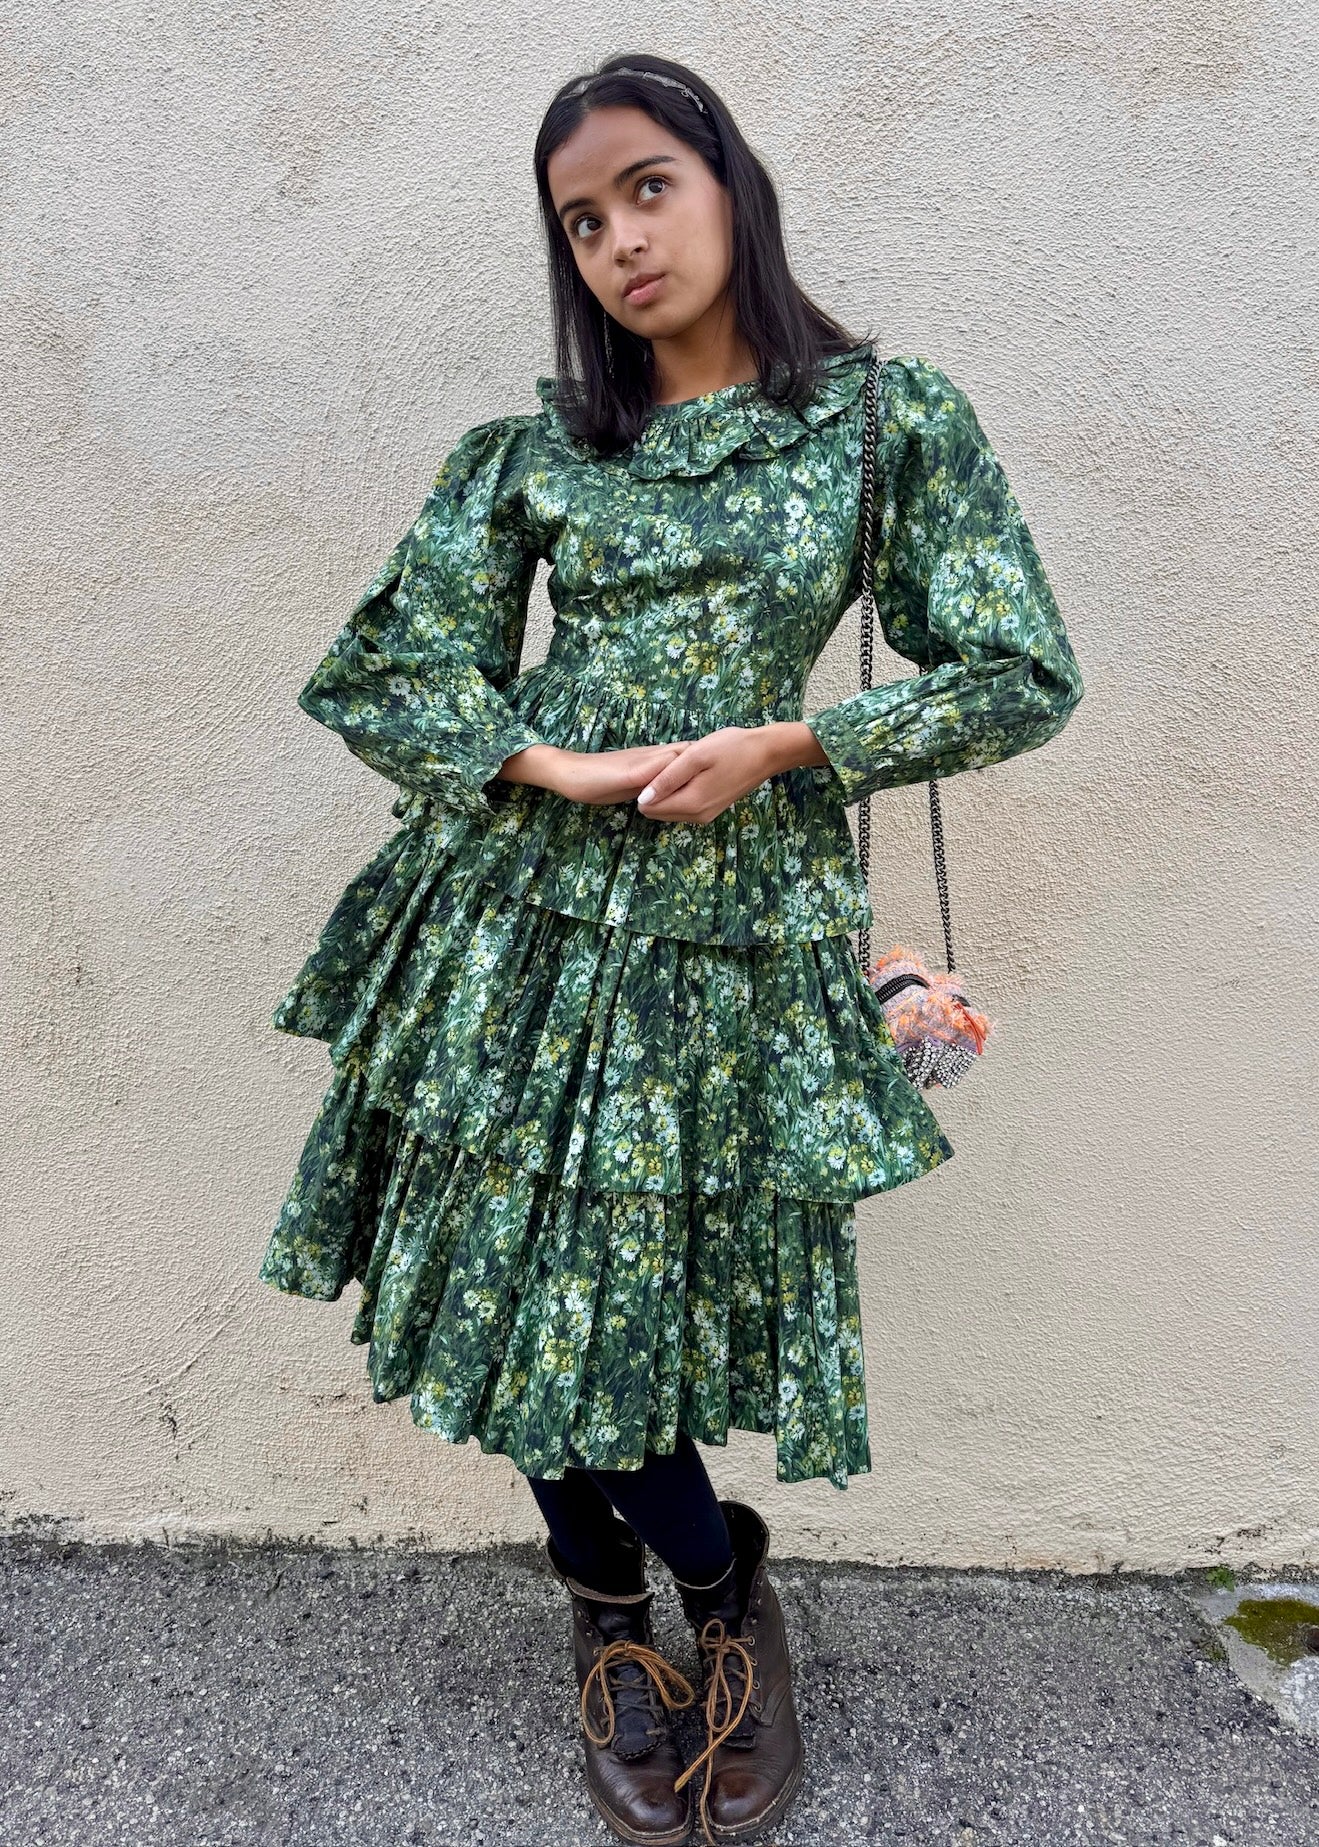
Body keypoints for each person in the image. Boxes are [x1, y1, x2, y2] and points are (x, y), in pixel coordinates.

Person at [257, 50, 1084, 1847]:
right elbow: (384, 672)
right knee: (503, 1282)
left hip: (723, 940)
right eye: (580, 217)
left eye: (647, 185)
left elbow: (1023, 674)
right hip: (513, 918)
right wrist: (547, 760)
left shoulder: (881, 421)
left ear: (728, 183)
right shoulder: (540, 450)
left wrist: (791, 749)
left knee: (613, 1319)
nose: (619, 239)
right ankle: (609, 1616)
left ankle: (725, 1599)